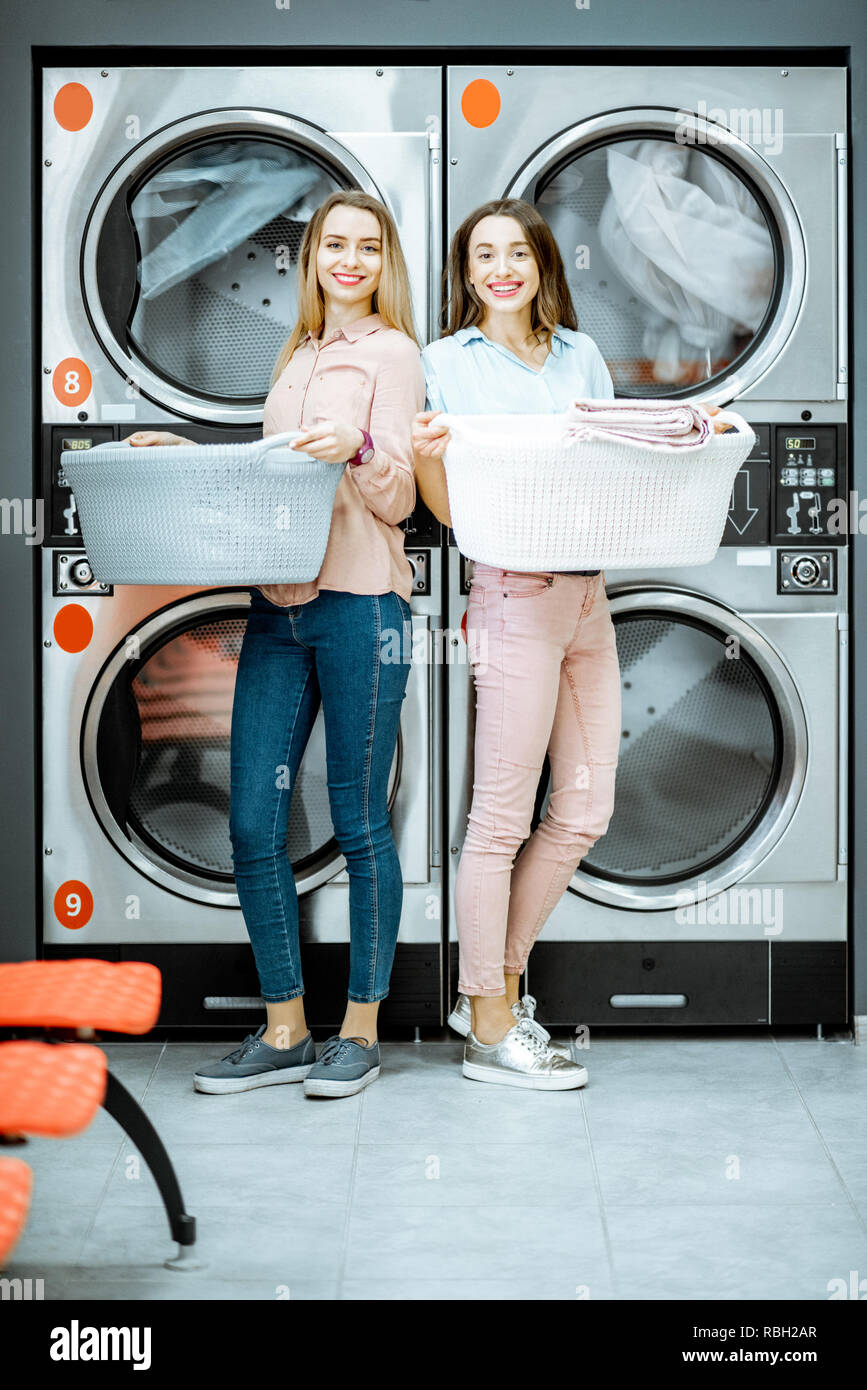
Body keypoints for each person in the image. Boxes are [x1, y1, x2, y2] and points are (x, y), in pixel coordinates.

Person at [412, 197, 726, 1091]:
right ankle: (486, 1028)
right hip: (510, 593)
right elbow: (445, 508)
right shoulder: (445, 364)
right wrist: (431, 455)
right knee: (501, 819)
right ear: (465, 275)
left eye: (518, 252)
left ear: (543, 264)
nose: (501, 269)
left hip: (590, 594)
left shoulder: (578, 355)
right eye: (483, 256)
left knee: (584, 807)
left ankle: (497, 990)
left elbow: (602, 470)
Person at [130, 191, 424, 1099]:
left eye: (367, 247)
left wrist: (362, 445)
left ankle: (361, 1034)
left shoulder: (395, 354)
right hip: (277, 607)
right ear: (311, 259)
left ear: (385, 263)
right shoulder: (293, 354)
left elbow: (405, 497)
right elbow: (267, 475)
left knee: (360, 820)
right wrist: (177, 450)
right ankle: (286, 1027)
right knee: (254, 821)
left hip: (360, 607)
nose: (350, 260)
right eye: (335, 245)